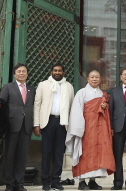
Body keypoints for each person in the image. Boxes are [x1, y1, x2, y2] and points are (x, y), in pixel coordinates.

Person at [66, 70, 115, 190]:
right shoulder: (81, 93)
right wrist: (78, 129)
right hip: (86, 128)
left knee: (98, 153)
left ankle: (93, 181)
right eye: (92, 77)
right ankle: (82, 181)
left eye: (97, 77)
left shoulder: (102, 94)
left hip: (99, 128)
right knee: (85, 153)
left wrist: (104, 107)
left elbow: (106, 111)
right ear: (87, 79)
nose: (94, 79)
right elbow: (76, 112)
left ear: (100, 79)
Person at [33, 63, 74, 191]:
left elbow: (72, 107)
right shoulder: (43, 84)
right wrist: (36, 124)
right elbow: (37, 104)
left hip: (62, 123)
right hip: (48, 122)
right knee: (46, 153)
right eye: (55, 70)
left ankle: (56, 180)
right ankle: (45, 181)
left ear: (63, 73)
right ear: (51, 72)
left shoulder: (68, 86)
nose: (57, 72)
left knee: (58, 154)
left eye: (60, 71)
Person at [0, 64, 35, 191]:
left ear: (27, 74)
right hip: (11, 126)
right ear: (15, 74)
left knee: (22, 156)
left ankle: (19, 184)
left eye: (24, 71)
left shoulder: (32, 89)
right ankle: (9, 184)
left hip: (26, 127)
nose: (21, 73)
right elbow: (2, 106)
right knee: (9, 156)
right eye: (19, 71)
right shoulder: (8, 87)